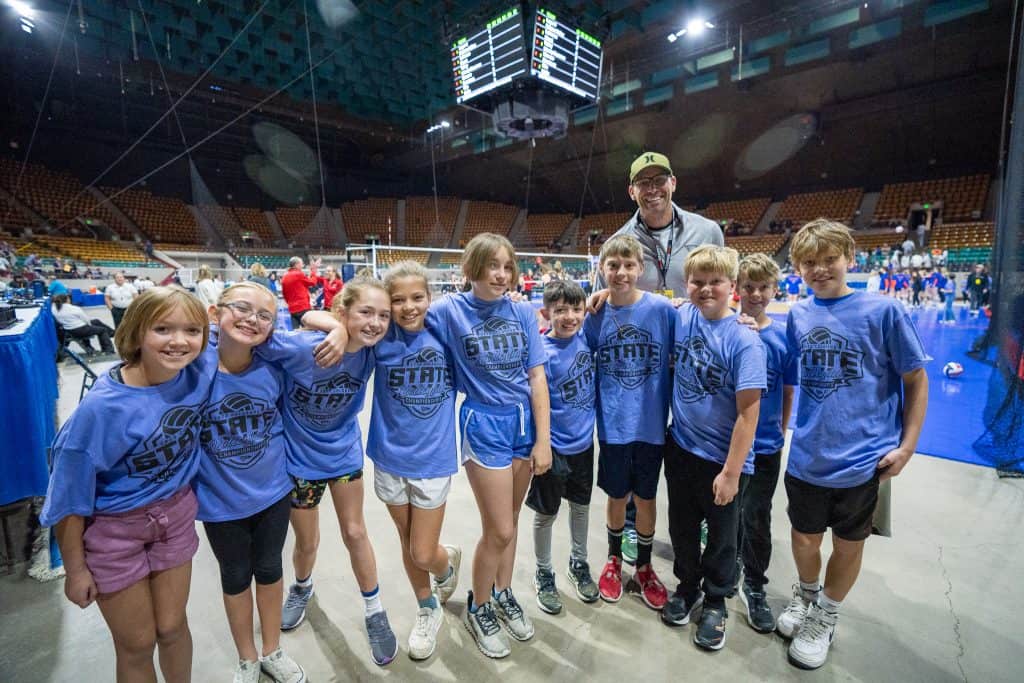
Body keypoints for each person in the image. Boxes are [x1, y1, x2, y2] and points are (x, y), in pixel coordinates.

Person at [41, 287, 215, 682]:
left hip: (175, 517)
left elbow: (247, 330)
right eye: (162, 329)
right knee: (136, 643)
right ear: (136, 333)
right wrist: (75, 569)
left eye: (192, 330)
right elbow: (68, 497)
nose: (179, 341)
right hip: (115, 530)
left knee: (172, 627)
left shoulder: (198, 369)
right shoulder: (101, 410)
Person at [778, 219, 929, 669]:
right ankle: (806, 596)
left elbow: (917, 381)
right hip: (808, 454)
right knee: (804, 540)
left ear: (849, 259)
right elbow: (785, 371)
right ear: (798, 268)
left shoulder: (884, 312)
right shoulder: (798, 316)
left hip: (864, 461)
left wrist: (907, 446)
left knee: (848, 545)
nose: (820, 269)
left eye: (829, 259)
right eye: (810, 262)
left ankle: (825, 614)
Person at [258, 277, 398, 666]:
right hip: (300, 459)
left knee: (355, 531)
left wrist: (336, 325)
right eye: (365, 312)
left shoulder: (372, 352)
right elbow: (260, 335)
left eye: (382, 315)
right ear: (344, 312)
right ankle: (302, 587)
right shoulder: (303, 347)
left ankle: (374, 609)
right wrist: (329, 326)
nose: (375, 322)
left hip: (344, 455)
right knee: (306, 542)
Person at [426, 232, 552, 659]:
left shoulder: (521, 311)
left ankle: (502, 591)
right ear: (472, 268)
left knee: (511, 521)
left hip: (523, 424)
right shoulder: (448, 311)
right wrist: (326, 322)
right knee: (498, 528)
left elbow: (537, 378)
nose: (501, 275)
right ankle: (478, 606)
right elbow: (396, 312)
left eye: (507, 266)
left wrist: (544, 439)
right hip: (482, 421)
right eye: (492, 265)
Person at [597, 151, 724, 563]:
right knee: (637, 434)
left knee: (699, 439)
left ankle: (704, 516)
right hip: (644, 362)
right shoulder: (623, 240)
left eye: (659, 180)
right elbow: (614, 290)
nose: (652, 190)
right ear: (632, 190)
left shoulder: (708, 231)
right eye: (643, 183)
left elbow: (721, 284)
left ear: (674, 183)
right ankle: (631, 525)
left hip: (692, 359)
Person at [195, 282, 306, 683]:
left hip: (273, 492)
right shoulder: (193, 369)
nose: (251, 319)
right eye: (242, 308)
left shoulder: (272, 367)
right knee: (236, 575)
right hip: (220, 499)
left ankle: (272, 649)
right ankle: (247, 657)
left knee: (270, 567)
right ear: (214, 313)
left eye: (265, 315)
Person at [661, 245, 766, 651]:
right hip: (682, 449)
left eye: (715, 282)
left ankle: (717, 600)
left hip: (723, 461)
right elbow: (648, 302)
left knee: (723, 537)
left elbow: (748, 416)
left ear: (733, 286)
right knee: (682, 528)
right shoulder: (683, 316)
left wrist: (731, 472)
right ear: (686, 285)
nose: (705, 290)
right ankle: (688, 587)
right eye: (697, 282)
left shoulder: (744, 341)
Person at [363, 262, 462, 660]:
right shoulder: (380, 340)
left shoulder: (447, 338)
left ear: (430, 298)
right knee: (407, 543)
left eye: (417, 297)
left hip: (434, 461)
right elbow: (333, 317)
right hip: (389, 459)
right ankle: (428, 608)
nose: (408, 306)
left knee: (423, 551)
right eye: (398, 299)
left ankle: (445, 561)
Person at [583, 235, 675, 610]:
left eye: (628, 265)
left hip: (651, 426)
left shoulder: (662, 311)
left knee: (647, 498)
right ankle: (614, 559)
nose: (621, 272)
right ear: (602, 269)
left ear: (642, 268)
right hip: (613, 427)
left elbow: (703, 322)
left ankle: (645, 567)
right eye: (613, 265)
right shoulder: (595, 316)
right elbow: (573, 349)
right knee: (617, 496)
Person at [527, 279, 600, 616]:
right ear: (546, 314)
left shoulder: (586, 338)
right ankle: (544, 571)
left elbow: (609, 299)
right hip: (553, 448)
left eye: (576, 309)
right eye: (560, 310)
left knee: (581, 508)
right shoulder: (542, 352)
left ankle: (579, 561)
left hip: (585, 445)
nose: (569, 316)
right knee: (546, 514)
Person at [733, 254, 797, 634]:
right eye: (748, 287)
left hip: (767, 445)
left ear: (775, 290)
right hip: (728, 443)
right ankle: (725, 569)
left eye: (763, 288)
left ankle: (754, 583)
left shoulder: (782, 338)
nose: (755, 295)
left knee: (757, 515)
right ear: (737, 289)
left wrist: (779, 433)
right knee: (726, 512)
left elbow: (787, 391)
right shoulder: (728, 327)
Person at [51, 294, 116, 356]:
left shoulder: (54, 309)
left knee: (96, 321)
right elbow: (86, 320)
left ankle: (112, 333)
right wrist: (90, 326)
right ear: (67, 300)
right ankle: (109, 350)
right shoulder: (74, 308)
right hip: (80, 329)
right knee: (102, 330)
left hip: (69, 329)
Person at [281, 257, 320, 329]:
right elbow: (312, 282)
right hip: (302, 307)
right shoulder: (298, 274)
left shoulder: (284, 277)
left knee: (295, 332)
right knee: (308, 330)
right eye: (302, 263)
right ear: (296, 265)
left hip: (292, 309)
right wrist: (314, 271)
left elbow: (285, 295)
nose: (303, 265)